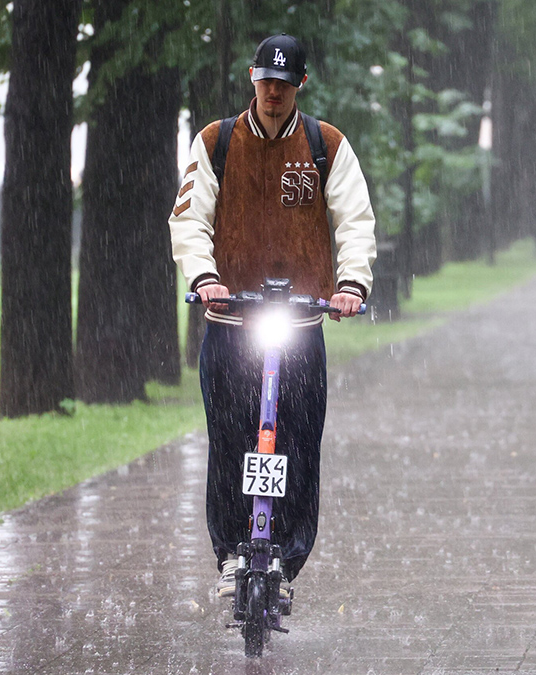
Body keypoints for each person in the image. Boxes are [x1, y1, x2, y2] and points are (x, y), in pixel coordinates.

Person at [168, 33, 376, 598]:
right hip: (232, 323)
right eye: (266, 81)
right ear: (251, 78)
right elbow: (189, 221)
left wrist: (351, 284)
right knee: (232, 440)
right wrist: (205, 277)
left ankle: (284, 558)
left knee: (299, 443)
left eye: (285, 84)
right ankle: (235, 552)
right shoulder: (217, 143)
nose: (274, 92)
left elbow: (355, 221)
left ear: (300, 85)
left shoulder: (325, 145)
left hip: (302, 327)